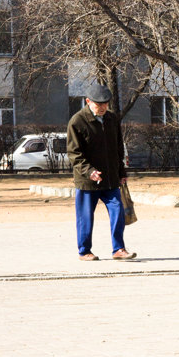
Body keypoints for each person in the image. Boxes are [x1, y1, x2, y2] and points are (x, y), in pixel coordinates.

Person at [66, 83, 136, 261]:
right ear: (88, 102)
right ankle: (84, 251)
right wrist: (89, 171)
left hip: (111, 179)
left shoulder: (112, 119)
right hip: (88, 181)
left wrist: (121, 172)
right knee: (85, 217)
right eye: (99, 104)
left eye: (106, 103)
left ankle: (118, 249)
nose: (103, 107)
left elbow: (118, 148)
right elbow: (74, 153)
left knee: (118, 211)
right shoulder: (77, 122)